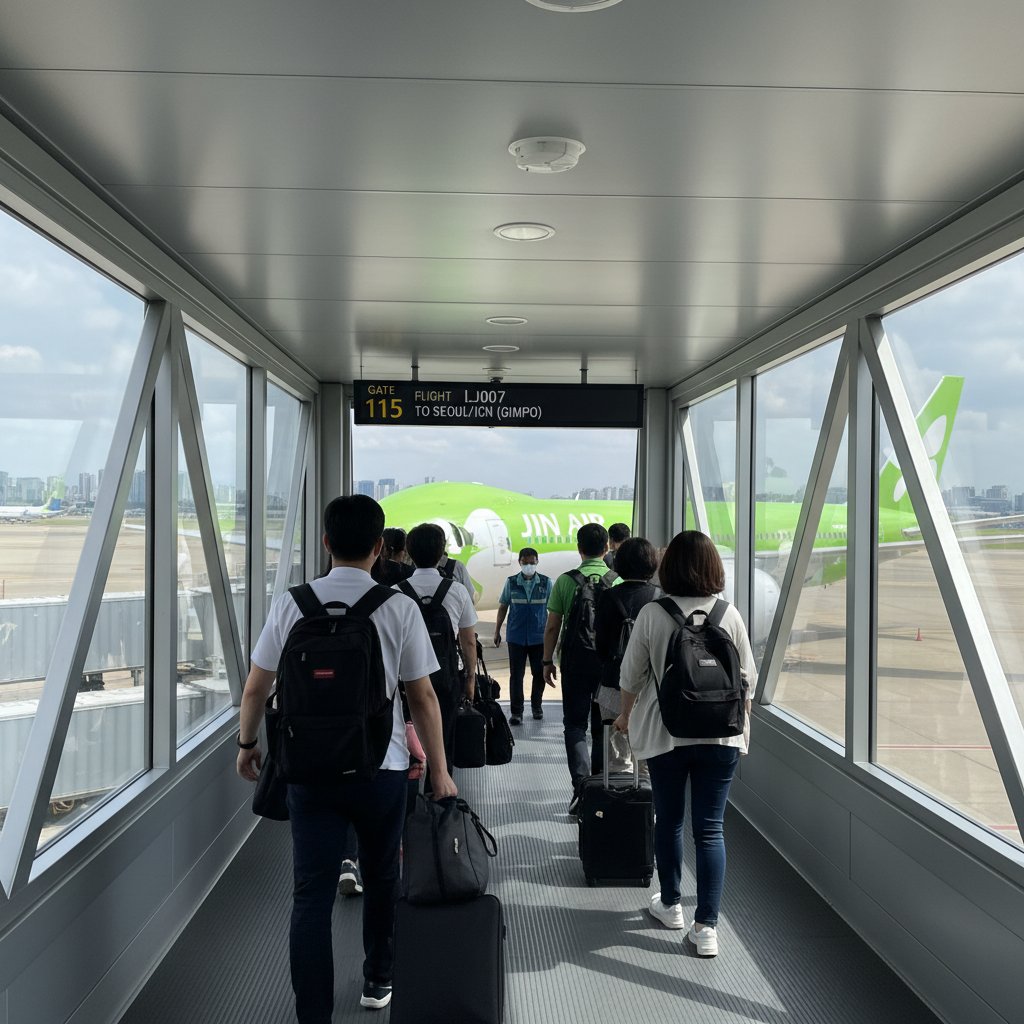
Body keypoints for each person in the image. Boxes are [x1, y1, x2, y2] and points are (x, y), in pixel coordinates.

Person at [236, 494, 456, 1018]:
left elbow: (256, 687)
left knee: (310, 896)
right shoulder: (397, 607)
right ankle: (378, 979)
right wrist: (442, 772)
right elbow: (422, 696)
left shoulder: (292, 603)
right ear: (381, 548)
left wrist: (249, 746)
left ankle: (313, 1012)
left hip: (308, 770)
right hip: (383, 771)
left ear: (327, 542)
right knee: (383, 879)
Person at [613, 530, 755, 959]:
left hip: (666, 733)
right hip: (721, 735)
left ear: (667, 566)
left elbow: (630, 677)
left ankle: (671, 904)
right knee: (710, 829)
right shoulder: (729, 615)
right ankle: (706, 927)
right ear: (715, 567)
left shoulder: (654, 615)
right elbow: (747, 678)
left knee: (669, 820)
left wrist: (623, 716)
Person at [542, 522, 618, 817]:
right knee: (602, 725)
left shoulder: (565, 581)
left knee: (575, 725)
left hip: (574, 662)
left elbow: (552, 625)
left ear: (579, 548)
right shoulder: (617, 580)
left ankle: (580, 788)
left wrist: (547, 661)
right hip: (608, 665)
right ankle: (599, 786)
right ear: (607, 547)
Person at [401, 523, 478, 773]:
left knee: (407, 740)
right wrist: (470, 678)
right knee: (443, 738)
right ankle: (441, 793)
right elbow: (468, 640)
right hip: (446, 677)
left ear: (409, 554)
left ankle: (413, 799)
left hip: (407, 681)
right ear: (441, 552)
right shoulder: (456, 591)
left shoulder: (395, 594)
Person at [593, 536, 659, 773]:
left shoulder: (608, 597)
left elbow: (599, 644)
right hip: (651, 686)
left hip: (614, 683)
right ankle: (646, 805)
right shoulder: (659, 599)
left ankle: (619, 803)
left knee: (617, 758)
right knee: (649, 754)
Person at [493, 547, 551, 724]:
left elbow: (554, 610)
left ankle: (536, 706)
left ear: (537, 562)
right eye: (525, 563)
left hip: (538, 637)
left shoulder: (546, 583)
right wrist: (497, 631)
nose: (529, 566)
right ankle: (516, 712)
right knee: (516, 675)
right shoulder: (511, 583)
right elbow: (503, 606)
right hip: (516, 637)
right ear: (519, 562)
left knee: (539, 673)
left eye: (532, 562)